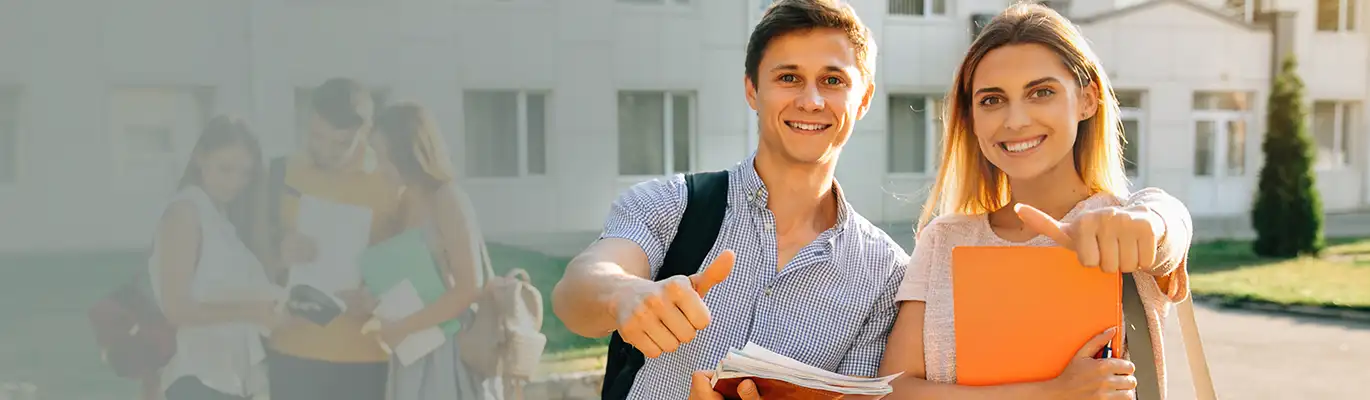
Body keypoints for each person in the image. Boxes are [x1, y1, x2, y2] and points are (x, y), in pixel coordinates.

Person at [551, 1, 907, 399]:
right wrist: (624, 294)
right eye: (789, 77)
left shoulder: (886, 274)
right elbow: (576, 290)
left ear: (864, 99)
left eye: (833, 80)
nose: (811, 101)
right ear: (752, 89)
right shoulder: (673, 204)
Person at [877, 4, 1193, 400]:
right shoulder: (944, 240)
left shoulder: (1121, 226)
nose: (1016, 120)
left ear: (1087, 100)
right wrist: (1050, 392)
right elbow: (893, 391)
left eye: (1041, 93)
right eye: (992, 100)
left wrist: (1154, 221)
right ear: (970, 118)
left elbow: (1168, 227)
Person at [265, 77, 405, 400]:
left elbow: (412, 267)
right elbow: (251, 261)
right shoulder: (281, 173)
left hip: (364, 354)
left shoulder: (389, 181)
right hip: (292, 350)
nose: (325, 151)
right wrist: (280, 254)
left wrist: (377, 294)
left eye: (341, 142)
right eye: (316, 136)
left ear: (366, 132)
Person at [358, 101, 500, 400]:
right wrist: (372, 300)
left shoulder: (447, 198)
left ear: (408, 153)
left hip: (450, 349)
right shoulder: (398, 205)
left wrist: (403, 327)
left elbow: (468, 288)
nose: (379, 166)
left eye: (384, 157)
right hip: (411, 350)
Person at [149, 115, 287, 400]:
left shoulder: (223, 219)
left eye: (245, 173)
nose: (235, 182)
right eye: (225, 169)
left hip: (233, 380)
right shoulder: (186, 212)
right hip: (197, 377)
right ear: (201, 158)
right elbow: (177, 309)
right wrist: (252, 311)